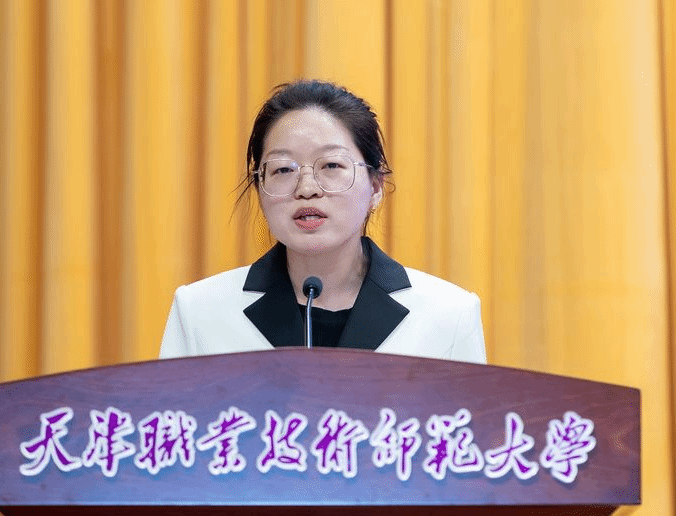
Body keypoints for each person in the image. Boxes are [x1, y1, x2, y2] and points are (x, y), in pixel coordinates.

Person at [160, 80, 486, 363]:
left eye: (331, 165)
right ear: (260, 190)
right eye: (283, 169)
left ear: (375, 187)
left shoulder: (448, 315)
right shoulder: (199, 312)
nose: (307, 189)